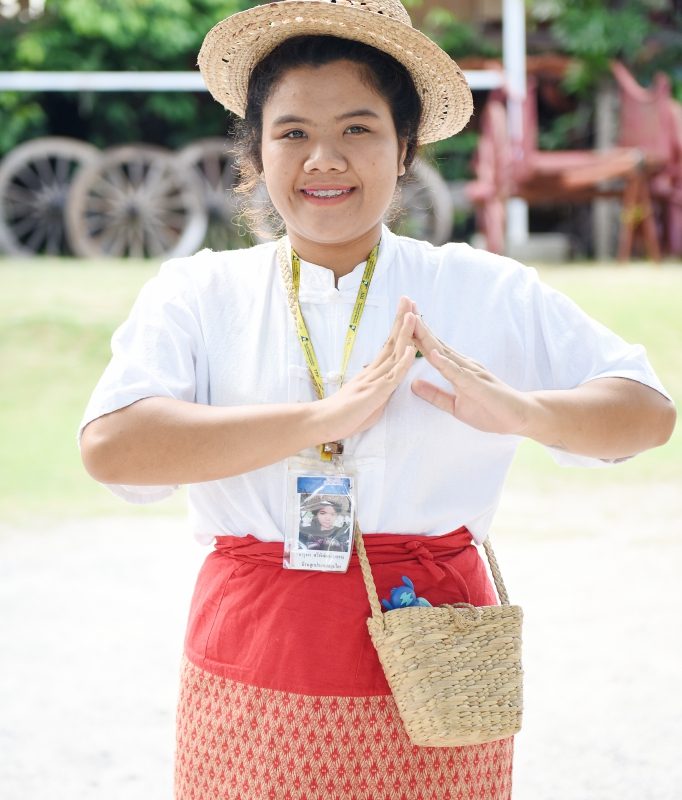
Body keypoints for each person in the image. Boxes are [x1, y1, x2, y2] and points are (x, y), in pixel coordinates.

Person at [79, 1, 676, 798]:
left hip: (436, 649)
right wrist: (324, 419)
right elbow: (113, 445)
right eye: (292, 132)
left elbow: (646, 411)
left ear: (406, 149)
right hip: (258, 642)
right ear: (255, 154)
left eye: (357, 128)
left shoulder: (478, 285)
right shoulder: (200, 291)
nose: (324, 158)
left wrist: (526, 414)